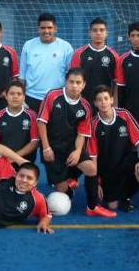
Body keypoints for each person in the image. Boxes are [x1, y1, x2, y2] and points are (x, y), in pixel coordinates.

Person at [37, 68, 116, 218]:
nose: (74, 85)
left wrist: (78, 151)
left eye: (78, 82)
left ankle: (92, 207)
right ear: (66, 82)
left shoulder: (85, 106)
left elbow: (82, 134)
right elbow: (41, 123)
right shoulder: (53, 96)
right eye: (71, 82)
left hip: (71, 147)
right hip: (52, 149)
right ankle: (68, 185)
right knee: (62, 192)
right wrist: (46, 148)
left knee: (91, 168)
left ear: (84, 85)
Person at [87, 85, 139, 213]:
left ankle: (126, 196)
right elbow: (93, 158)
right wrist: (97, 183)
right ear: (95, 103)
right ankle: (115, 193)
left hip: (126, 162)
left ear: (111, 100)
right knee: (112, 206)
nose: (103, 102)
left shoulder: (124, 115)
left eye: (106, 98)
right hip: (107, 170)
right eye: (99, 99)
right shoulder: (93, 125)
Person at [19, 13, 73, 113]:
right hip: (31, 98)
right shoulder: (28, 45)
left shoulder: (66, 47)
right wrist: (22, 99)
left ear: (55, 29)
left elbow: (70, 77)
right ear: (38, 29)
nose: (46, 31)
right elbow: (22, 77)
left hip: (57, 98)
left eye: (49, 27)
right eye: (43, 28)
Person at [0, 80, 39, 164]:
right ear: (6, 96)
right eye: (12, 93)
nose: (15, 96)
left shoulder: (32, 115)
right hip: (3, 164)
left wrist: (14, 158)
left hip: (24, 165)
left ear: (24, 97)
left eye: (19, 94)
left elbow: (34, 142)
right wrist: (2, 162)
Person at [70, 18, 119, 106]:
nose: (98, 33)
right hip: (83, 102)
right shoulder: (79, 54)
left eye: (102, 30)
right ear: (89, 33)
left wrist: (114, 104)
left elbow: (116, 83)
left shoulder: (114, 56)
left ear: (106, 33)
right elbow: (73, 81)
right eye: (95, 30)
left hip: (104, 103)